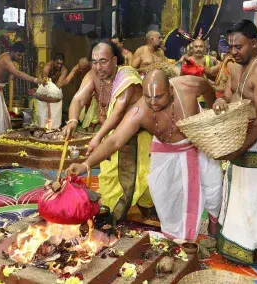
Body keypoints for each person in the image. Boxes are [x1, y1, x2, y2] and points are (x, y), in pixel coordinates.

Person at [66, 71, 222, 241]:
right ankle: (178, 236)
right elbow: (115, 141)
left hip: (198, 143)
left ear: (170, 89)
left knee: (213, 190)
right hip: (165, 150)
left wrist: (215, 106)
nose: (153, 103)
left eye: (159, 97)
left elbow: (207, 88)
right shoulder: (140, 111)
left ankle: (214, 225)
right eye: (148, 97)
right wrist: (86, 165)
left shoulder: (187, 86)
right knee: (166, 199)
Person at [61, 41, 154, 225]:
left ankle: (140, 219)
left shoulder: (128, 78)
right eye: (94, 62)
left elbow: (117, 113)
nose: (97, 67)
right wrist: (72, 120)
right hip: (109, 139)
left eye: (102, 61)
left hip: (132, 140)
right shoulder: (93, 75)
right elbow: (78, 99)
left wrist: (96, 137)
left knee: (134, 184)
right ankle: (119, 216)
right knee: (110, 184)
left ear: (114, 60)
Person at [212, 19, 257, 265]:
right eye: (231, 46)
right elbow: (230, 96)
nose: (233, 52)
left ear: (254, 43)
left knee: (254, 198)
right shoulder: (237, 66)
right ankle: (232, 243)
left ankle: (256, 250)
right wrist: (220, 102)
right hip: (240, 139)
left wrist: (238, 149)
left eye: (238, 46)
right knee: (238, 193)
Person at [0, 42, 38, 137]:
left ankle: (0, 138)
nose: (20, 58)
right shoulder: (6, 59)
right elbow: (18, 74)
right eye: (19, 55)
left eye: (21, 56)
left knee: (1, 117)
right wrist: (35, 80)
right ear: (12, 51)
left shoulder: (11, 60)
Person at [36, 53, 68, 129]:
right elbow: (45, 78)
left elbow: (59, 83)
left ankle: (54, 129)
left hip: (55, 90)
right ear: (53, 61)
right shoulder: (48, 66)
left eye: (61, 64)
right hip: (45, 88)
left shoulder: (64, 70)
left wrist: (54, 92)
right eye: (57, 63)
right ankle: (42, 128)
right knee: (43, 112)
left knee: (55, 113)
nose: (59, 65)